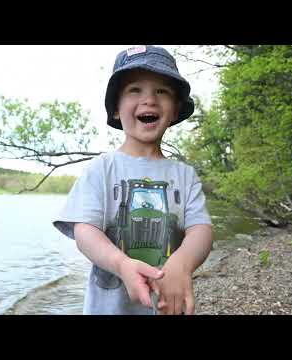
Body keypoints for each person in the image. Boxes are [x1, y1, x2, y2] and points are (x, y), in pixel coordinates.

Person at [53, 45, 213, 315]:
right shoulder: (101, 169)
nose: (149, 100)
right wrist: (121, 263)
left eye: (162, 91)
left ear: (175, 110)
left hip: (168, 305)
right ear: (116, 109)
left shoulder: (184, 176)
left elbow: (202, 230)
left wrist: (182, 263)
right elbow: (85, 232)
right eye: (134, 90)